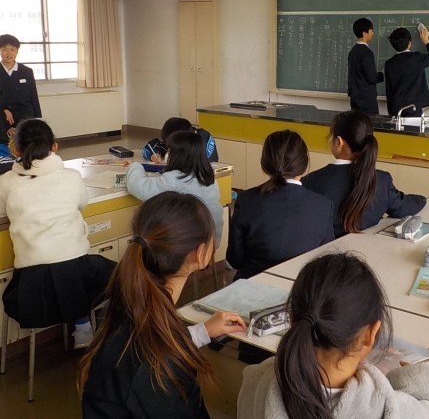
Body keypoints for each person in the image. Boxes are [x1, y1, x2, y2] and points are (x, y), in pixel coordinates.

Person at [78, 192, 246, 418]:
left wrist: (202, 332)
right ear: (201, 253)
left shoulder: (125, 307)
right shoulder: (160, 371)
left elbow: (157, 343)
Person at [237, 252, 429, 419]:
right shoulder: (386, 407)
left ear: (292, 319)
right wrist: (411, 377)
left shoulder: (257, 383)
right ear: (370, 334)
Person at [0, 119, 114, 349]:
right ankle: (87, 329)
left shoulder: (6, 182)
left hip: (32, 288)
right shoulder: (71, 176)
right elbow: (81, 203)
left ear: (15, 150)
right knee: (120, 276)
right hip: (77, 274)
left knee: (64, 275)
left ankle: (82, 329)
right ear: (54, 146)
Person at [226, 129, 334, 280]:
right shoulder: (324, 206)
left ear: (264, 164)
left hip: (251, 285)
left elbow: (235, 260)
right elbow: (326, 259)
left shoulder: (246, 200)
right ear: (304, 165)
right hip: (300, 288)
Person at [303, 110, 426, 238]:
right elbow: (405, 207)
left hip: (325, 250)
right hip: (368, 248)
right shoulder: (382, 181)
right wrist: (423, 199)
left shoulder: (311, 182)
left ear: (338, 142)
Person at [127, 130, 224, 249]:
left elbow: (139, 187)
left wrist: (135, 166)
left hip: (185, 248)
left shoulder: (174, 179)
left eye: (169, 151)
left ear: (177, 155)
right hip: (211, 243)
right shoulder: (208, 178)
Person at [384, 25, 429, 117]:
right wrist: (426, 40)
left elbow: (389, 89)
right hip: (414, 107)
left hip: (397, 108)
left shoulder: (389, 63)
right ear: (409, 43)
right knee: (414, 126)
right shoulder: (416, 58)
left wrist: (391, 111)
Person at [0, 34, 41, 144]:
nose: (9, 53)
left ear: (17, 51)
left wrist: (37, 118)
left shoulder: (26, 71)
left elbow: (33, 96)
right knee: (6, 148)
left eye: (12, 49)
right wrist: (3, 109)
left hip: (24, 116)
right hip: (3, 119)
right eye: (4, 49)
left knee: (27, 145)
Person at [348, 18, 384, 115]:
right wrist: (383, 74)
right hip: (366, 100)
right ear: (364, 33)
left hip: (355, 98)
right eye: (371, 31)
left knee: (357, 123)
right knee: (370, 123)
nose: (373, 34)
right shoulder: (367, 53)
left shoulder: (353, 51)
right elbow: (371, 78)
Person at [142, 117, 218, 163]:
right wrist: (153, 155)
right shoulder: (173, 139)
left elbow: (199, 163)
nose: (170, 148)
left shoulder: (203, 139)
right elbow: (150, 146)